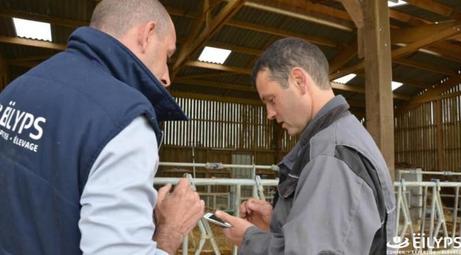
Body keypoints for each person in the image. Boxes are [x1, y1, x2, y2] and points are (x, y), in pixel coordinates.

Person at [0, 0, 204, 254]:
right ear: (147, 34)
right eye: (168, 55)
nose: (166, 76)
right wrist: (170, 229)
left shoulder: (17, 89)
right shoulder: (125, 120)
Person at [215, 38, 396, 254]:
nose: (270, 113)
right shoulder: (339, 135)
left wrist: (249, 238)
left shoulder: (332, 154)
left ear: (299, 81)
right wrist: (278, 220)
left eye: (272, 99)